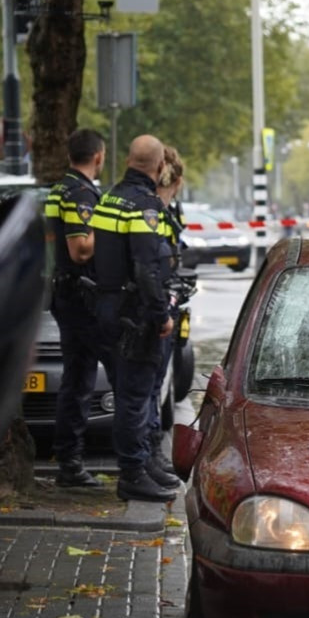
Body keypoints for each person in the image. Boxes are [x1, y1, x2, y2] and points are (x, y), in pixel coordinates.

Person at [89, 135, 179, 503]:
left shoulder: (108, 198)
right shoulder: (144, 206)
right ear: (159, 168)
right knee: (135, 397)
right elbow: (145, 269)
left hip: (106, 309)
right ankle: (132, 474)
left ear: (127, 160)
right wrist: (161, 315)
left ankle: (141, 465)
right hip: (136, 317)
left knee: (129, 393)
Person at [44, 128, 108, 488]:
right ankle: (71, 462)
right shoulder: (81, 193)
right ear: (98, 156)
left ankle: (68, 459)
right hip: (80, 298)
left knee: (76, 378)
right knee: (88, 378)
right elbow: (80, 250)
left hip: (64, 294)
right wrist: (103, 224)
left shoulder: (58, 189)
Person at [134, 145, 188, 491]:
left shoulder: (164, 212)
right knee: (150, 388)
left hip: (159, 304)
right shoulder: (155, 212)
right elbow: (153, 264)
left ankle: (151, 455)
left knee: (153, 387)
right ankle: (149, 455)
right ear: (175, 181)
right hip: (152, 309)